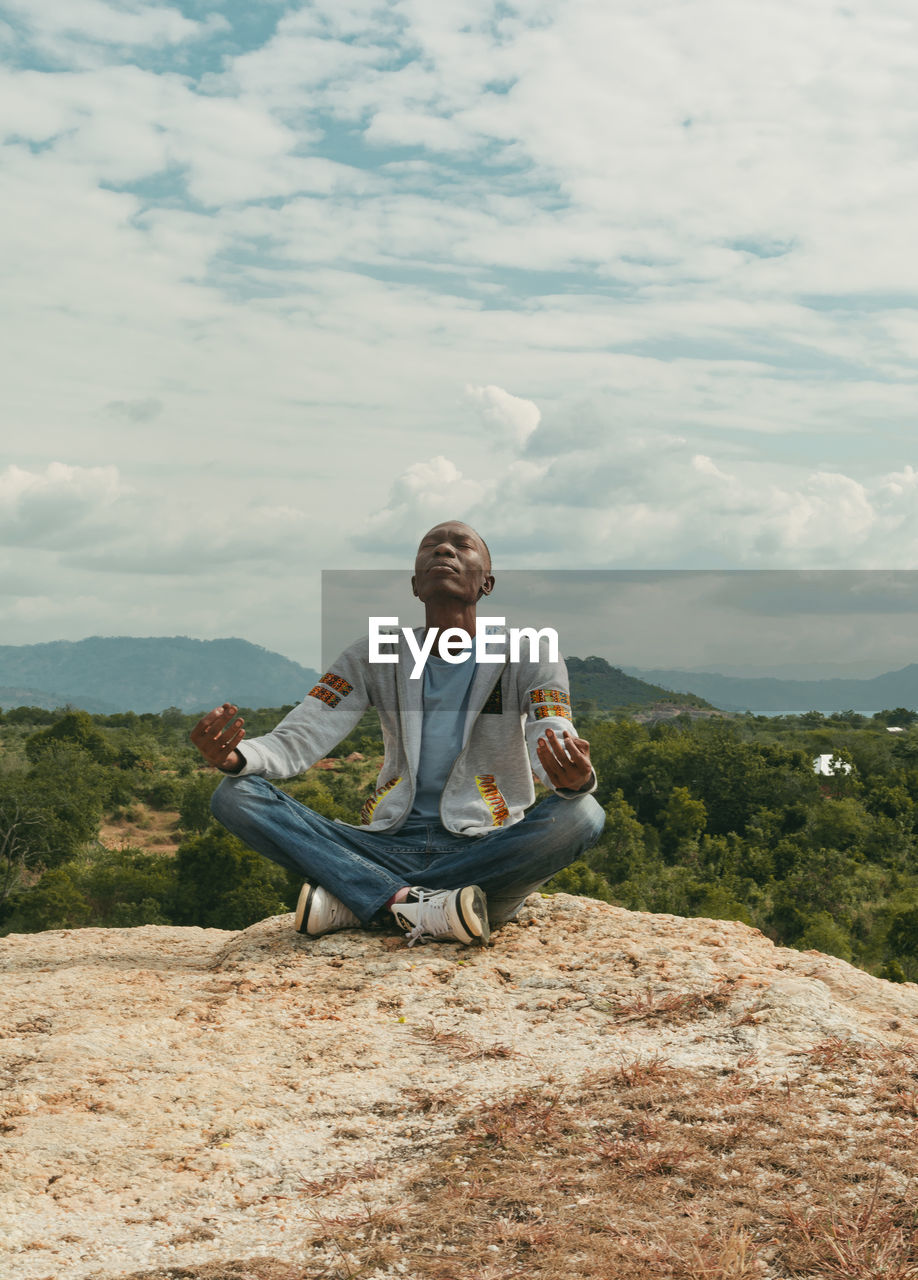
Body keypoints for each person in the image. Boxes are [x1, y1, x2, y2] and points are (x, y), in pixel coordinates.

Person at [190, 520, 606, 948]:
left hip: (484, 845)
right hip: (384, 843)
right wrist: (236, 757)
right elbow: (304, 730)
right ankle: (424, 903)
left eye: (462, 546)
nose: (444, 550)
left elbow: (551, 726)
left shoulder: (527, 652)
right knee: (234, 794)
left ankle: (365, 898)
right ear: (415, 585)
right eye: (432, 546)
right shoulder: (373, 653)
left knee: (583, 813)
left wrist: (571, 777)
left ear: (487, 582)